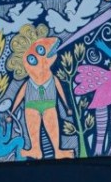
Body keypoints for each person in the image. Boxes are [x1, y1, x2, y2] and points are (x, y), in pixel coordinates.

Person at [7, 24, 72, 159]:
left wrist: (66, 106)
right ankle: (35, 150)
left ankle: (58, 151)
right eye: (32, 59)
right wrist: (12, 112)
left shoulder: (53, 79)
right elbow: (19, 96)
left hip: (49, 105)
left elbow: (61, 92)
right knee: (33, 129)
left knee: (52, 126)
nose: (39, 59)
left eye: (40, 50)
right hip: (31, 107)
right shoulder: (28, 83)